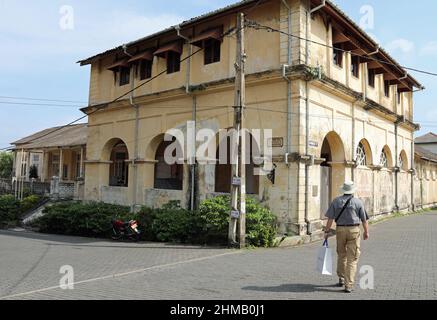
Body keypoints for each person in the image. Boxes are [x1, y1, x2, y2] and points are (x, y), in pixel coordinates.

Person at [324, 181, 370, 293]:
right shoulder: (358, 202)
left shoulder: (336, 201)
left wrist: (327, 231)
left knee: (341, 254)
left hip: (340, 230)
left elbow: (330, 218)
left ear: (343, 190)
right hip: (354, 230)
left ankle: (341, 278)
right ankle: (348, 285)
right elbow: (364, 219)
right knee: (352, 259)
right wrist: (366, 232)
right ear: (352, 191)